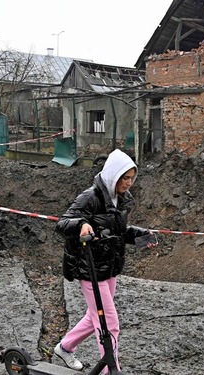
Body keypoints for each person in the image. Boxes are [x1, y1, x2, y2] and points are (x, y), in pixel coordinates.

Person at [53, 149, 156, 374]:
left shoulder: (120, 199)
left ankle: (65, 347)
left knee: (95, 316)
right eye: (125, 178)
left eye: (132, 178)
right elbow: (62, 223)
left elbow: (118, 232)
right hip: (89, 269)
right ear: (113, 175)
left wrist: (140, 235)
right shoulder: (90, 197)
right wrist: (81, 225)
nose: (129, 183)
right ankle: (111, 370)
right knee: (109, 324)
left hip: (109, 268)